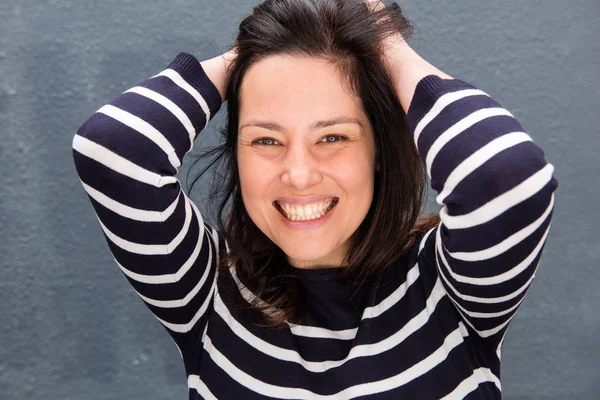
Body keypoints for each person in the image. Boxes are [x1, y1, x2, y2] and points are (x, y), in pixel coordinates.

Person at [72, 0, 558, 398]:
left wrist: (382, 42)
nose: (298, 174)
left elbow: (505, 173)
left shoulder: (454, 291)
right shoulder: (206, 294)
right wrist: (251, 51)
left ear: (379, 152)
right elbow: (113, 148)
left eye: (333, 138)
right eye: (265, 140)